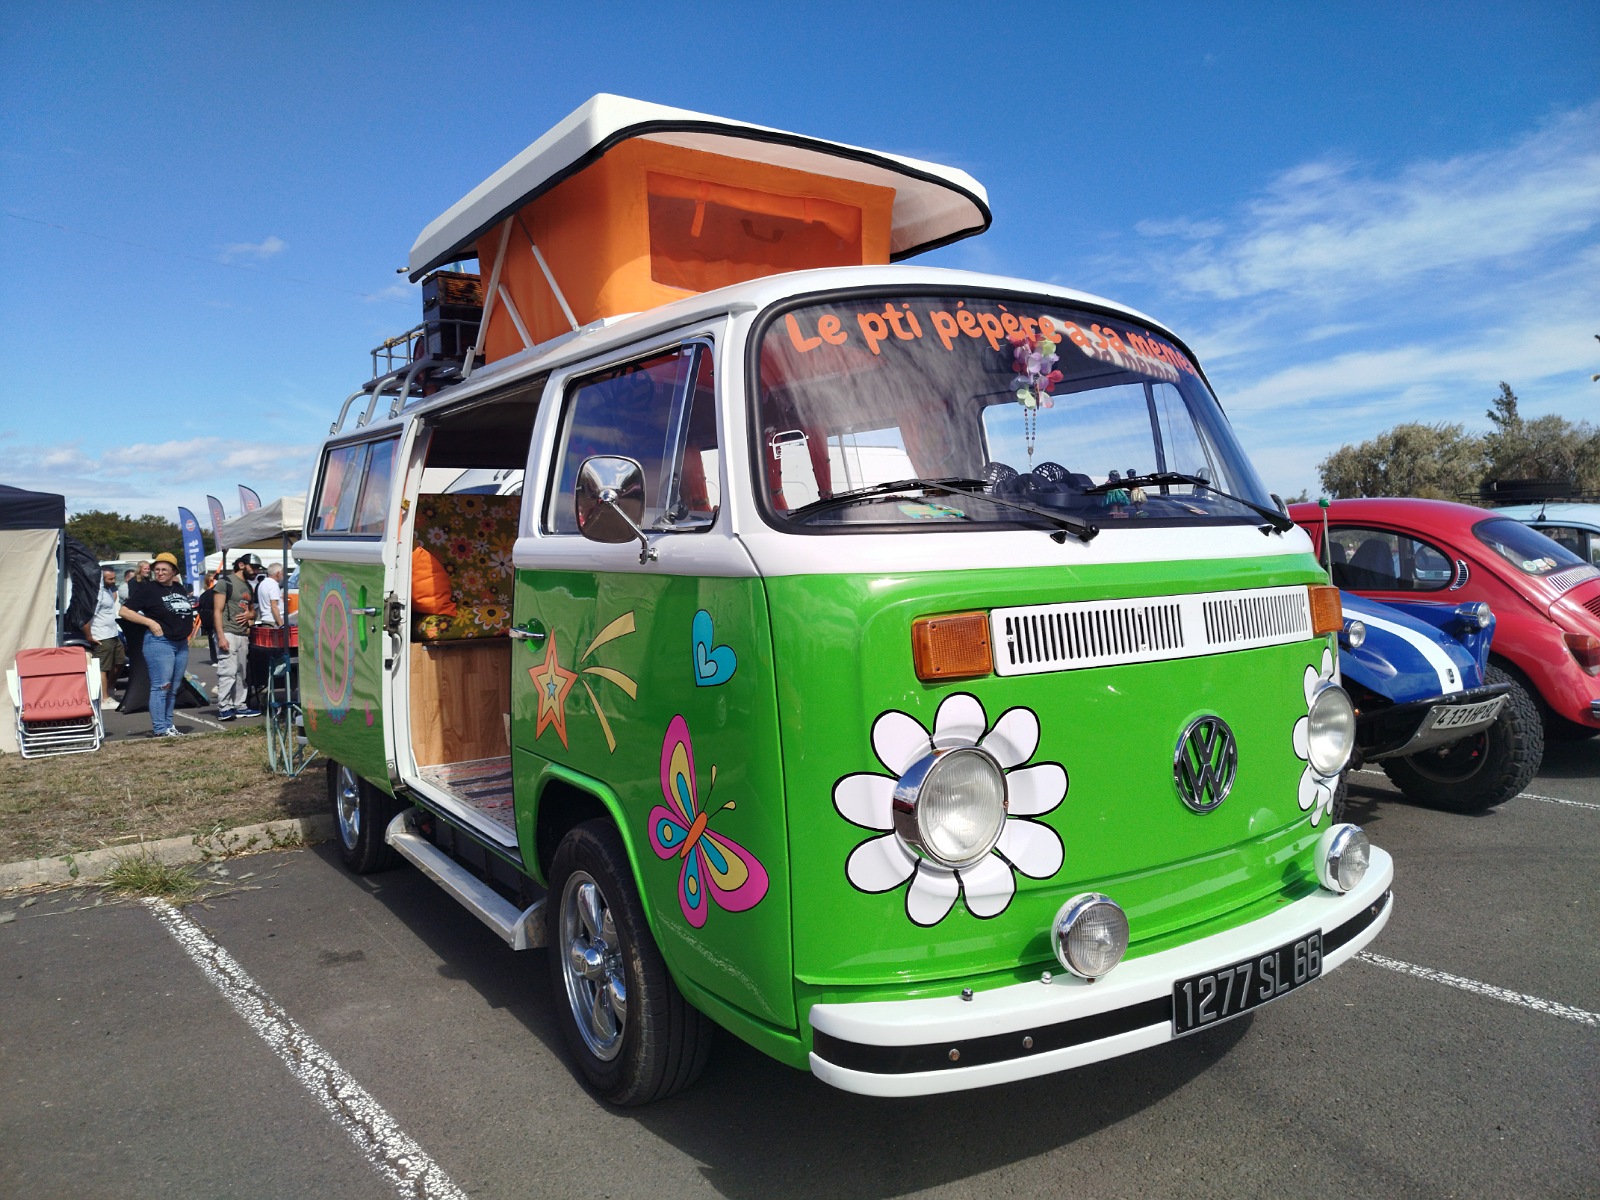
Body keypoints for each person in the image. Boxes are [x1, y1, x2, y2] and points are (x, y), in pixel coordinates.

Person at [119, 552, 196, 737]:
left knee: (174, 688)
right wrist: (150, 623)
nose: (160, 573)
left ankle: (169, 725)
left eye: (164, 570)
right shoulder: (149, 589)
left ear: (174, 571)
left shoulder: (179, 588)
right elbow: (124, 611)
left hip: (180, 643)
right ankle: (160, 729)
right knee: (162, 686)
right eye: (157, 570)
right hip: (159, 642)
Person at [214, 555, 260, 721]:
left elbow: (253, 611)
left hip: (242, 634)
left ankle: (239, 705)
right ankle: (224, 707)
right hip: (228, 632)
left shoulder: (248, 586)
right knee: (228, 671)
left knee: (241, 672)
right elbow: (217, 611)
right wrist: (221, 636)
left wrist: (250, 615)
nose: (256, 571)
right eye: (253, 567)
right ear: (241, 565)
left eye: (257, 568)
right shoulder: (225, 583)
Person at [84, 566, 127, 701]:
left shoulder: (108, 591)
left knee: (120, 661)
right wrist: (89, 637)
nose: (113, 581)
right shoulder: (96, 594)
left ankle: (109, 688)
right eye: (110, 579)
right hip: (101, 636)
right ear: (101, 579)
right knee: (103, 667)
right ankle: (104, 698)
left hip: (113, 634)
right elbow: (86, 617)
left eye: (114, 578)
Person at [255, 562, 285, 628]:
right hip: (273, 621)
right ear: (278, 574)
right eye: (282, 573)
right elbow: (274, 606)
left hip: (265, 619)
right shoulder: (273, 585)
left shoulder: (262, 583)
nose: (283, 576)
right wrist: (281, 624)